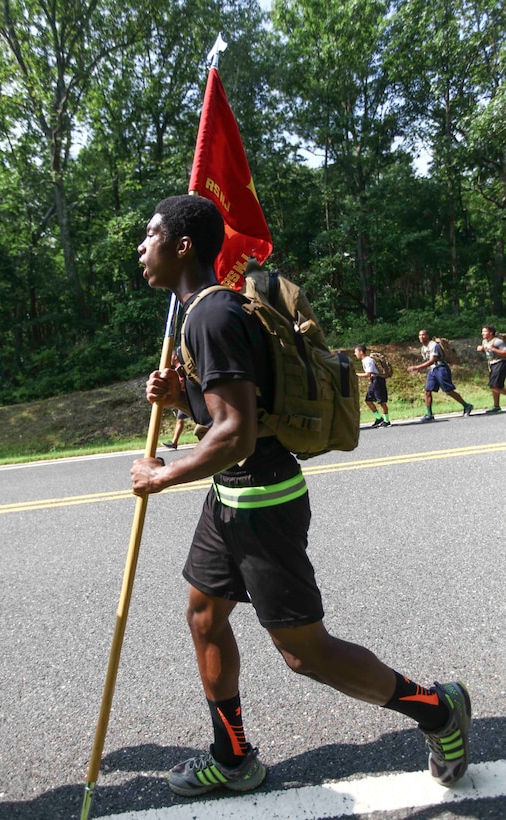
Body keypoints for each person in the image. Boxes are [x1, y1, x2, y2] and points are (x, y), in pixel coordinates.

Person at [130, 195, 471, 798]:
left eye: (150, 234)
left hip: (262, 500)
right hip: (231, 497)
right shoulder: (204, 314)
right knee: (205, 616)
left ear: (182, 246)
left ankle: (438, 710)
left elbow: (237, 435)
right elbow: (231, 414)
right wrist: (181, 398)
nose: (141, 246)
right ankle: (233, 758)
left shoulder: (210, 317)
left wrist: (162, 475)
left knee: (305, 654)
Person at [407, 330, 473, 422]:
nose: (421, 337)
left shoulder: (433, 345)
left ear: (427, 336)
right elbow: (429, 362)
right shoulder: (423, 348)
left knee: (448, 391)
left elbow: (432, 360)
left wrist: (417, 367)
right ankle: (429, 414)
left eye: (423, 335)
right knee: (427, 391)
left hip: (441, 368)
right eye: (420, 335)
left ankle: (467, 405)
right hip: (432, 370)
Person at [354, 345, 391, 427]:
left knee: (381, 402)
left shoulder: (368, 361)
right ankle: (379, 418)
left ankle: (387, 420)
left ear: (361, 352)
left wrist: (355, 375)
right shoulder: (364, 360)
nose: (355, 353)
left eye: (356, 352)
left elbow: (368, 374)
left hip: (378, 381)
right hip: (373, 381)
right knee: (368, 400)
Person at [162, 350, 189, 449]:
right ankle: (174, 442)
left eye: (171, 357)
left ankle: (174, 442)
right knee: (180, 420)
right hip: (184, 398)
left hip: (188, 397)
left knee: (182, 420)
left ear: (175, 357)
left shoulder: (181, 367)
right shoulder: (177, 369)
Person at [477, 325, 506, 414]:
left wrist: (493, 348)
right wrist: (482, 350)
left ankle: (496, 406)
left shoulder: (498, 341)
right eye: (482, 331)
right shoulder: (484, 341)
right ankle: (496, 406)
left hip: (500, 362)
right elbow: (488, 352)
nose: (482, 333)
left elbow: (505, 353)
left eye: (485, 331)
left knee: (495, 385)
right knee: (494, 386)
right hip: (491, 364)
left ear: (491, 332)